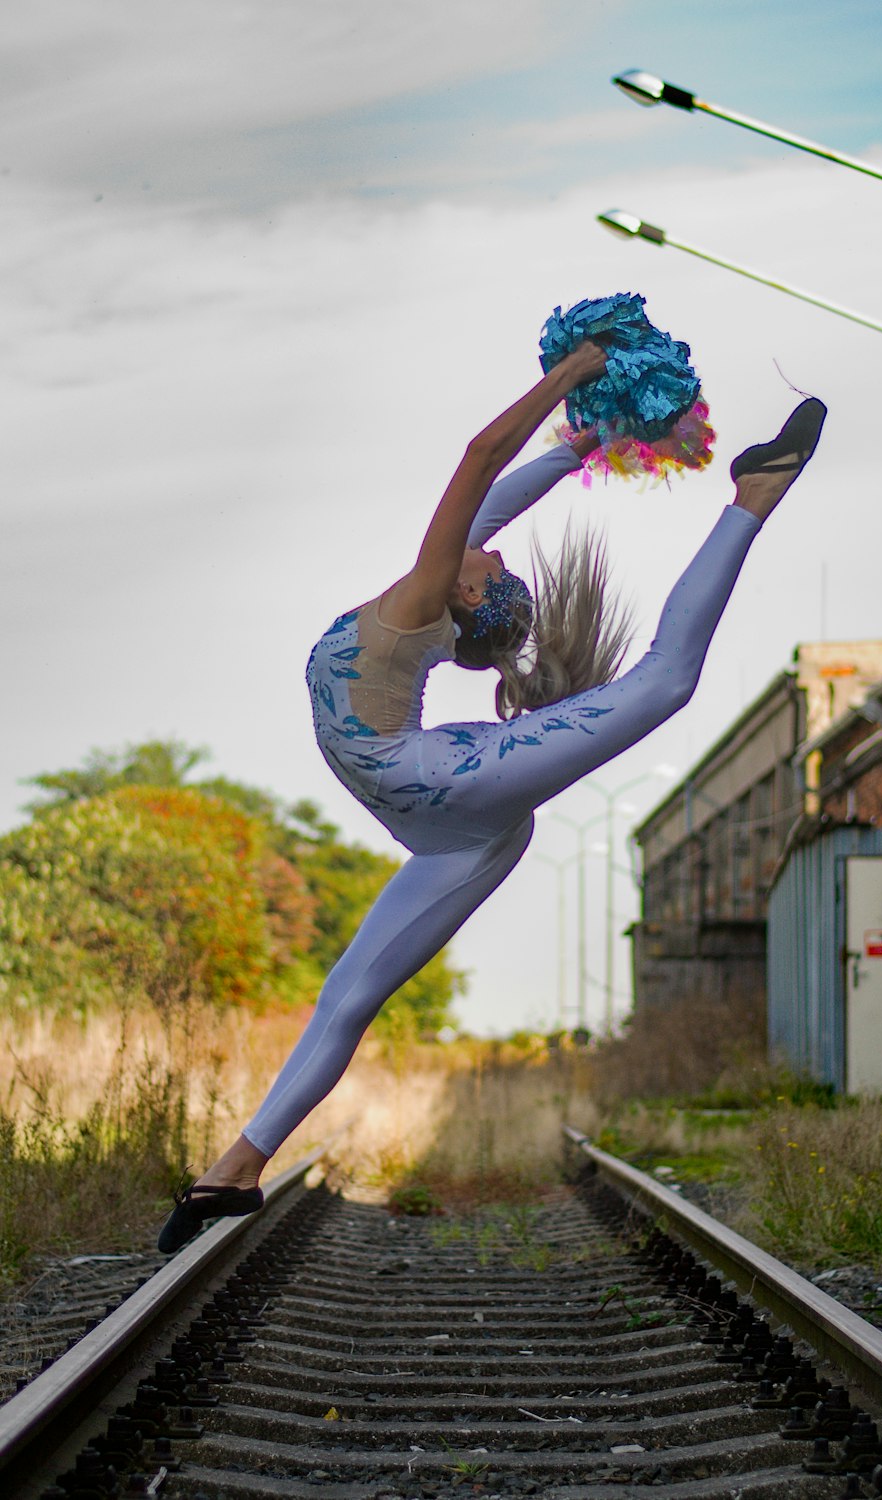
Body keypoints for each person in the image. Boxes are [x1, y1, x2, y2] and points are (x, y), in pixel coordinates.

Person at [159, 334, 825, 1253]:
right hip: (449, 826)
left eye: (496, 568)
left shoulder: (431, 596)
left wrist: (573, 374)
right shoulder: (437, 602)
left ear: (465, 597)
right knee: (347, 997)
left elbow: (479, 462)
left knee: (666, 683)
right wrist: (582, 435)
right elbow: (498, 486)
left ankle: (753, 498)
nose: (498, 554)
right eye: (497, 563)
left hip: (445, 789)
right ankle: (232, 1171)